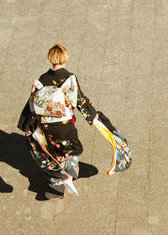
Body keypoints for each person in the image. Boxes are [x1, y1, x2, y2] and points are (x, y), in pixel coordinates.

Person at [18, 44, 118, 199]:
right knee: (73, 149)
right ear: (65, 58)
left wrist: (28, 126)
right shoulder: (69, 78)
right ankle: (67, 175)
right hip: (64, 125)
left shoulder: (42, 79)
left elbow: (33, 104)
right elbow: (79, 100)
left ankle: (56, 179)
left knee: (53, 151)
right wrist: (93, 117)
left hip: (46, 126)